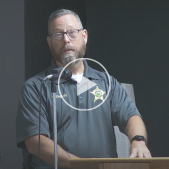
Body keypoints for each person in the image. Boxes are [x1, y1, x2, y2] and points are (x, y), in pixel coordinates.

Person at [16, 9, 151, 169]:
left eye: (72, 32)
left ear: (84, 36)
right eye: (58, 34)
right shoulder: (36, 87)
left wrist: (138, 141)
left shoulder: (106, 83)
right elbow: (35, 142)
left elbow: (131, 116)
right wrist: (80, 165)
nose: (66, 39)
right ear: (49, 42)